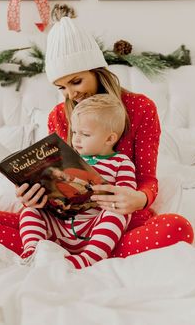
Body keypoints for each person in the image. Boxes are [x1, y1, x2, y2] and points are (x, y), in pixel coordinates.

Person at [0, 11, 194, 264]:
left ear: (98, 71)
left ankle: (88, 256)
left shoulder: (140, 108)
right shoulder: (58, 115)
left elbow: (147, 178)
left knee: (177, 228)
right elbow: (53, 178)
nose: (71, 94)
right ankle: (50, 252)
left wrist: (140, 198)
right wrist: (32, 194)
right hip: (62, 223)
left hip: (115, 222)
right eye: (62, 87)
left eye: (76, 81)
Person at [19, 94, 136, 267]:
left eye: (85, 134)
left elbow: (126, 196)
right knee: (30, 210)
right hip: (60, 225)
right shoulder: (68, 157)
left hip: (94, 228)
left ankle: (87, 259)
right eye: (74, 132)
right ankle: (32, 249)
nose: (76, 139)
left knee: (118, 213)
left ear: (110, 138)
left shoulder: (121, 162)